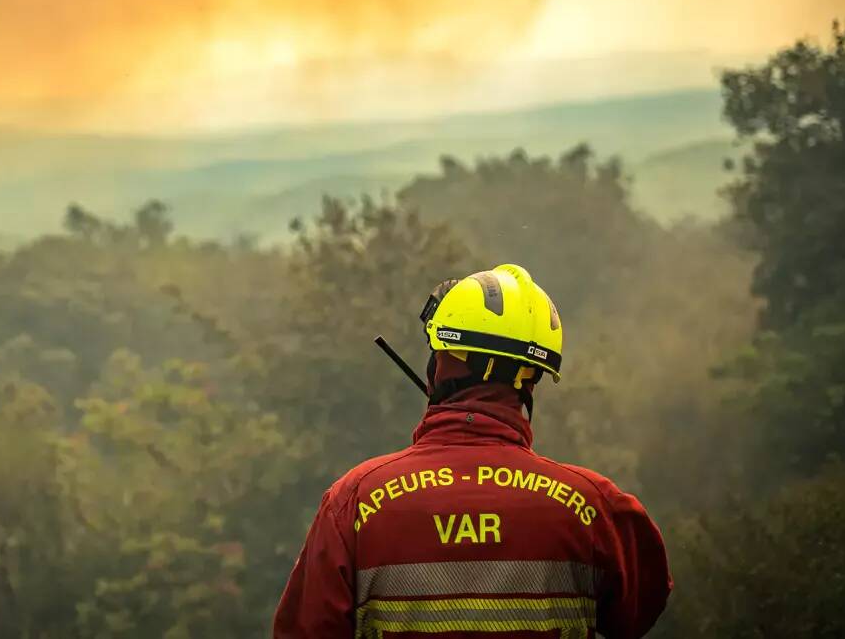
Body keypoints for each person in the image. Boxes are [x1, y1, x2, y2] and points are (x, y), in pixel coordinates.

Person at [273, 264, 671, 638]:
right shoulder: (594, 507)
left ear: (440, 364)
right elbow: (639, 612)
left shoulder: (353, 503)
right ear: (530, 379)